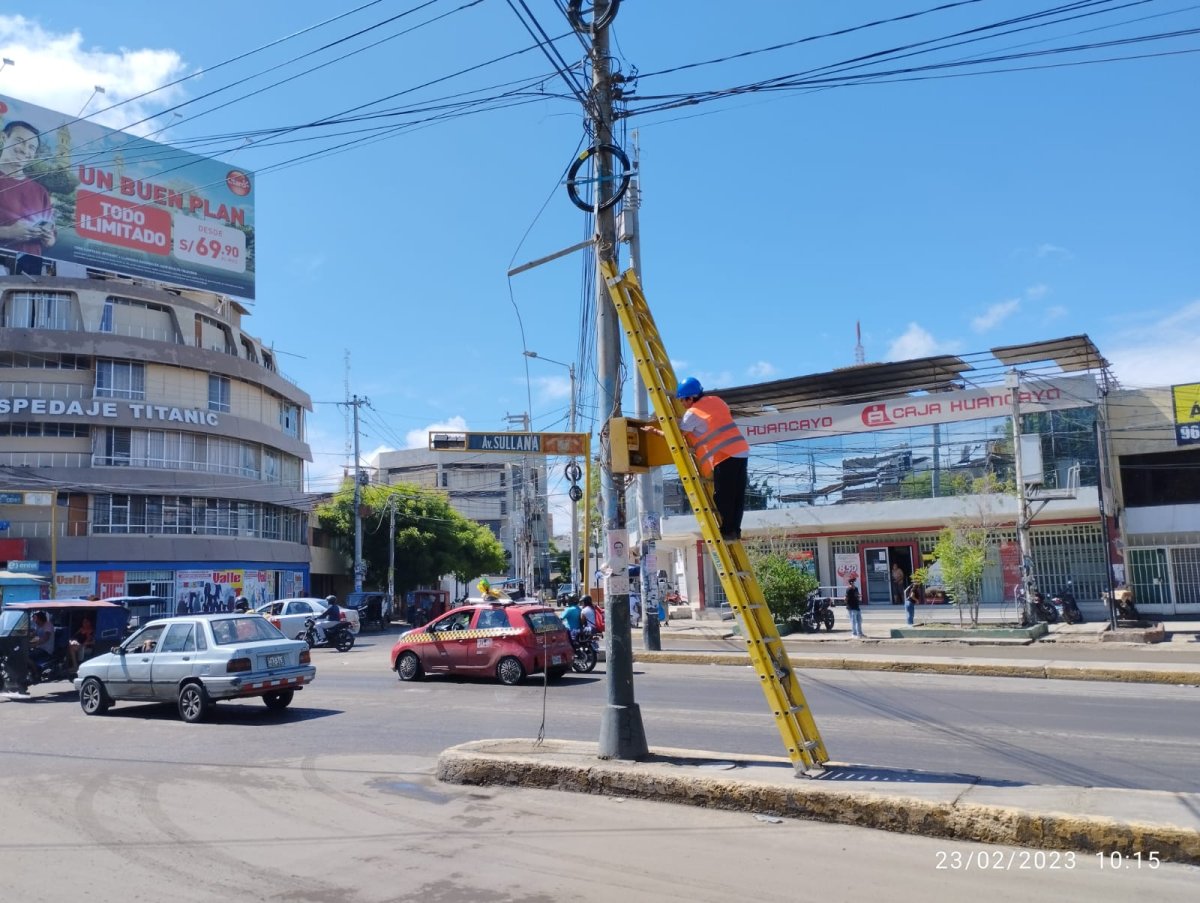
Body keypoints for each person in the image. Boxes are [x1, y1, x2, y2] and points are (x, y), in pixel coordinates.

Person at [673, 376, 750, 542]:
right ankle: (735, 531)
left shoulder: (692, 413)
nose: (682, 404)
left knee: (722, 497)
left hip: (725, 454)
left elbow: (679, 435)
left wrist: (659, 431)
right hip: (741, 450)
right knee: (737, 495)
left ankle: (728, 530)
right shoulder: (717, 400)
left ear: (691, 397)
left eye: (682, 400)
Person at [0, 120, 56, 274]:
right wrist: (8, 232)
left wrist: (47, 236)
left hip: (29, 274)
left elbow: (51, 239)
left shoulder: (40, 191)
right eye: (20, 141)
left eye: (32, 147)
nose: (25, 150)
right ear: (4, 138)